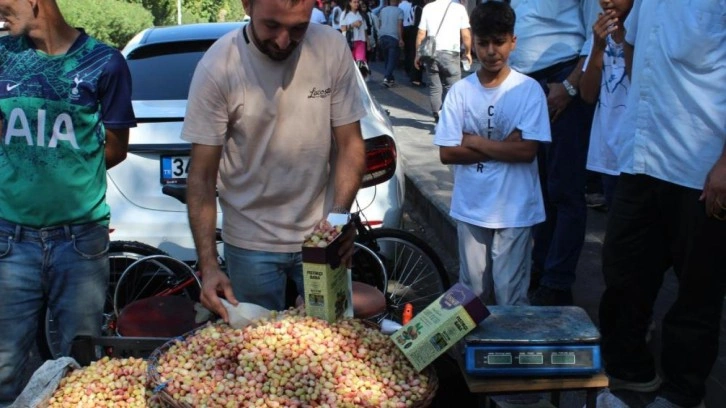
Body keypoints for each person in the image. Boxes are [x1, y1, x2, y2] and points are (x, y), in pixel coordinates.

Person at [182, 0, 366, 320]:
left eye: (298, 28)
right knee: (261, 358)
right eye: (272, 26)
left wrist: (338, 220)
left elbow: (351, 144)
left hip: (321, 238)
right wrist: (209, 266)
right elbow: (201, 177)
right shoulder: (218, 66)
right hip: (250, 244)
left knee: (329, 351)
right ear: (247, 5)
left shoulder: (331, 48)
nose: (283, 41)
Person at [0, 0, 135, 404]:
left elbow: (115, 149)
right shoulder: (2, 56)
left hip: (79, 243)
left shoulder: (105, 63)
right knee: (3, 368)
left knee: (81, 370)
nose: (0, 12)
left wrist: (66, 177)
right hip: (10, 240)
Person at [597, 0, 726, 407]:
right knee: (623, 270)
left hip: (701, 167)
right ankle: (630, 373)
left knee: (698, 292)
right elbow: (635, 51)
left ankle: (683, 393)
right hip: (642, 156)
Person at [433, 1, 551, 306]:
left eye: (499, 42)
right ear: (474, 40)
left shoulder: (528, 90)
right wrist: (504, 148)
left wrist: (471, 140)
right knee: (471, 294)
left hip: (516, 208)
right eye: (483, 43)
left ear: (513, 41)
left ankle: (509, 354)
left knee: (511, 294)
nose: (490, 51)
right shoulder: (460, 91)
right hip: (472, 205)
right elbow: (447, 152)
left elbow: (527, 151)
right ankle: (471, 354)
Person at [508, 0, 598, 306]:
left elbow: (595, 35)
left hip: (561, 79)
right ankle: (542, 267)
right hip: (525, 85)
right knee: (538, 188)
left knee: (564, 189)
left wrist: (570, 86)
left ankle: (558, 282)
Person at [579, 0, 632, 210]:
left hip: (636, 156)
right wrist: (598, 47)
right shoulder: (601, 33)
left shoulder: (646, 31)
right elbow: (588, 94)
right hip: (608, 154)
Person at [414, 0, 472, 124]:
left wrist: (417, 54)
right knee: (453, 87)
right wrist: (468, 52)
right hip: (451, 53)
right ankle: (448, 117)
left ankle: (437, 116)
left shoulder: (428, 8)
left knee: (435, 87)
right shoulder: (459, 8)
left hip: (431, 53)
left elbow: (421, 33)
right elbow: (466, 35)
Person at [377, 0, 404, 87]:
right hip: (393, 37)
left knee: (387, 59)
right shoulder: (399, 11)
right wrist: (401, 39)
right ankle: (387, 77)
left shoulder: (383, 10)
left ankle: (390, 78)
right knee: (392, 60)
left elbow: (380, 24)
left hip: (382, 36)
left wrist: (379, 36)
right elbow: (399, 26)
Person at [341, 0, 370, 79]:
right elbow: (343, 28)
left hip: (361, 41)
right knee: (350, 63)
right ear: (350, 3)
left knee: (361, 62)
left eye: (357, 2)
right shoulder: (345, 14)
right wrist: (353, 25)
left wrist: (368, 42)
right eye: (354, 2)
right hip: (349, 42)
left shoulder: (361, 14)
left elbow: (365, 30)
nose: (356, 4)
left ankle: (361, 81)